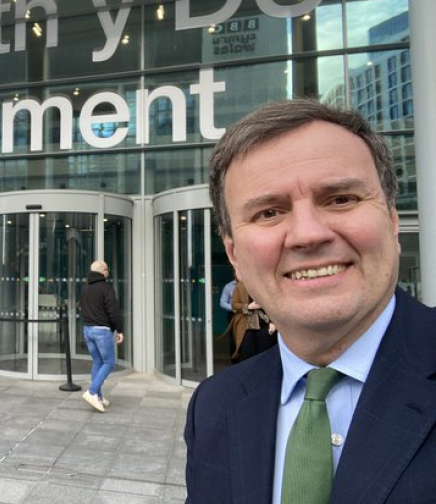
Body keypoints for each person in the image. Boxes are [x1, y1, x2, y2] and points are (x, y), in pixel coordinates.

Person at [184, 99, 436, 503]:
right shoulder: (214, 406)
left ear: (391, 219)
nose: (307, 234)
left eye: (340, 199)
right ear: (234, 256)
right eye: (269, 212)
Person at [79, 259, 124, 413]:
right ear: (103, 271)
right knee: (109, 362)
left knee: (98, 362)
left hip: (87, 330)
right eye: (107, 269)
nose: (108, 272)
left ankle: (97, 395)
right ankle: (92, 392)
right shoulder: (106, 288)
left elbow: (82, 307)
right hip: (102, 331)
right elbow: (114, 311)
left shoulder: (85, 288)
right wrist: (120, 330)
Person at [227, 279, 277, 363]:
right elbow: (234, 305)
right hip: (246, 326)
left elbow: (275, 305)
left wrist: (273, 323)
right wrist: (248, 307)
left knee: (265, 355)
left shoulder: (267, 284)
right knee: (247, 354)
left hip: (265, 324)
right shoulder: (240, 285)